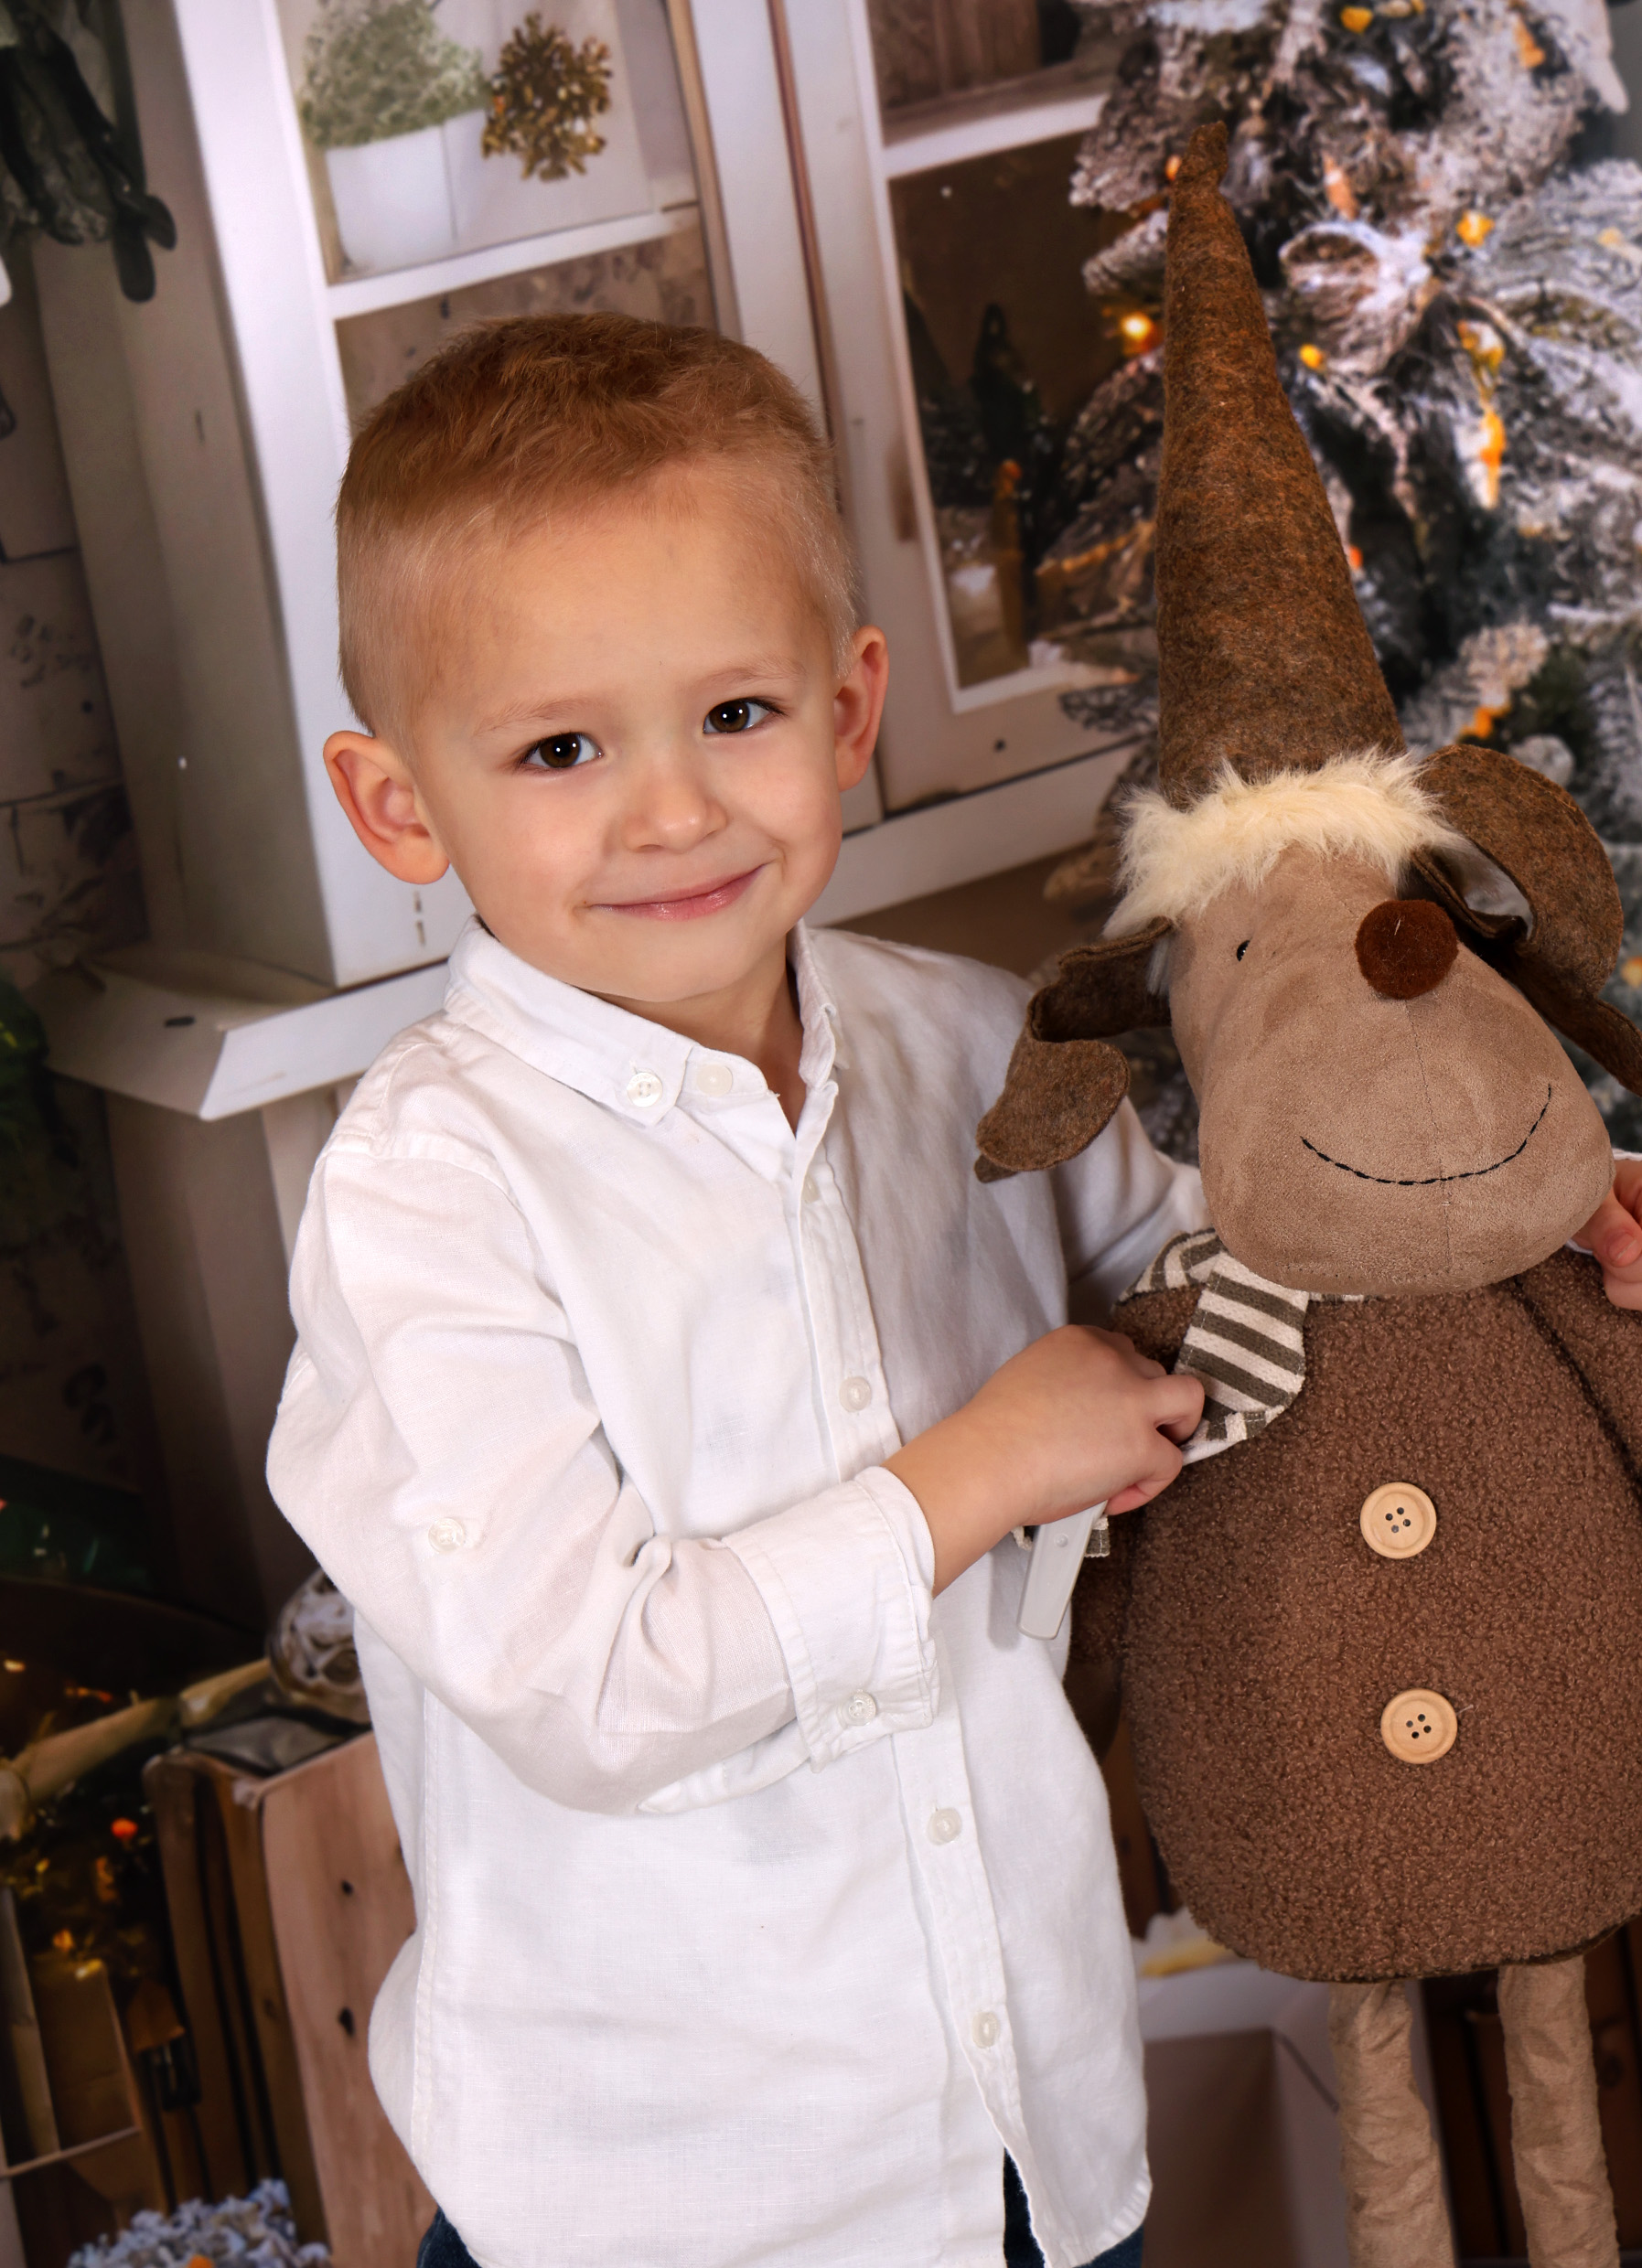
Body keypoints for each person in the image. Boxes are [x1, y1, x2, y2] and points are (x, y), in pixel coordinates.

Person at [266, 310, 1213, 2268]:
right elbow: (596, 1689)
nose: (673, 813)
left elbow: (1208, 1280)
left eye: (736, 714)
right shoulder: (425, 1196)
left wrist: (1516, 1223)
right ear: (399, 806)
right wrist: (983, 1469)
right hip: (676, 2206)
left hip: (1033, 2139)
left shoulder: (969, 1048)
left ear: (849, 707)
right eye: (559, 749)